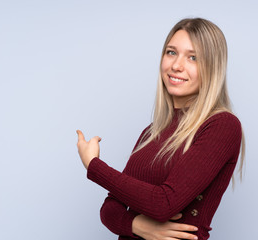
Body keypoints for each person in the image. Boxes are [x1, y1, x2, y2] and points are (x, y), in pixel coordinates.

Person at [76, 17, 245, 240]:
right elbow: (109, 209)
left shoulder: (222, 125)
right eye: (171, 52)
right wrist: (137, 225)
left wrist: (94, 165)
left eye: (193, 57)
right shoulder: (151, 132)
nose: (176, 65)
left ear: (212, 68)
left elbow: (163, 204)